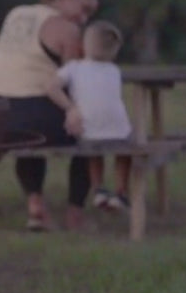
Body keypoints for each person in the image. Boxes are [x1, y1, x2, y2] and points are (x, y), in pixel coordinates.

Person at [0, 0, 99, 231]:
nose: (84, 19)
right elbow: (77, 81)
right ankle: (75, 214)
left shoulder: (16, 14)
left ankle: (35, 205)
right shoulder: (67, 29)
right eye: (84, 9)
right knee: (91, 131)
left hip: (1, 117)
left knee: (28, 135)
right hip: (38, 116)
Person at [46, 19, 132, 212]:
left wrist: (70, 107)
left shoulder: (74, 68)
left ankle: (99, 189)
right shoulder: (114, 71)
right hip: (119, 128)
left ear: (83, 46)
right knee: (125, 151)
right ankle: (121, 191)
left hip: (88, 128)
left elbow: (51, 87)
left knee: (93, 151)